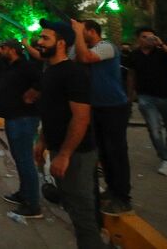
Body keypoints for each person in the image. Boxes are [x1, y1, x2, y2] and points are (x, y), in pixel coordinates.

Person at [34, 20, 104, 249]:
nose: (39, 42)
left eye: (45, 38)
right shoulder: (50, 72)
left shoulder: (74, 73)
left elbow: (81, 117)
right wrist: (42, 141)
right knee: (73, 206)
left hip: (77, 154)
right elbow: (51, 112)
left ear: (61, 43)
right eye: (40, 38)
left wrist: (64, 155)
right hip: (59, 149)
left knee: (82, 212)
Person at [70, 19, 132, 214]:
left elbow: (86, 58)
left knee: (116, 152)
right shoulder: (83, 47)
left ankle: (122, 197)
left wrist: (78, 34)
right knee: (104, 153)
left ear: (91, 31)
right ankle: (112, 190)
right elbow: (74, 58)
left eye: (82, 30)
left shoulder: (107, 47)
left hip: (113, 107)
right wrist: (77, 36)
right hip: (96, 107)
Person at [126, 27, 167, 176]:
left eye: (152, 37)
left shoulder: (162, 52)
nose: (149, 39)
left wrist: (162, 45)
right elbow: (131, 76)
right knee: (154, 130)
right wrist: (130, 96)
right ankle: (165, 160)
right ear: (138, 39)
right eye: (145, 37)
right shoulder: (134, 55)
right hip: (146, 98)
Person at [0, 39, 42, 219]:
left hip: (23, 118)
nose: (0, 51)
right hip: (13, 117)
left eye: (3, 48)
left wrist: (33, 94)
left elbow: (42, 81)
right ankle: (24, 193)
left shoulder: (26, 66)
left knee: (25, 160)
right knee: (19, 158)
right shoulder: (10, 66)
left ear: (13, 50)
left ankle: (33, 204)